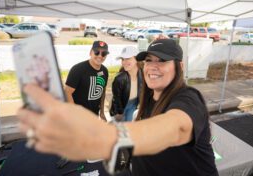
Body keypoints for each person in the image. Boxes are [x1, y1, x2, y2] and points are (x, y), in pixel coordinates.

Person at [18, 39, 218, 176]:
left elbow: (174, 128)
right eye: (149, 60)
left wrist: (103, 138)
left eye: (162, 61)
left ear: (180, 67)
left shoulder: (189, 98)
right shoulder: (150, 97)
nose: (152, 66)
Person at [65, 40, 109, 121]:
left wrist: (102, 112)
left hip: (94, 116)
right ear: (90, 52)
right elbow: (67, 92)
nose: (100, 56)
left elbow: (102, 91)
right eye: (96, 52)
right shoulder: (78, 69)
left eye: (104, 53)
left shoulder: (105, 71)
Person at [110, 46, 143, 121]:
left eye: (128, 58)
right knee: (121, 128)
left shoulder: (143, 75)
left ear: (136, 59)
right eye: (122, 59)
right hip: (121, 106)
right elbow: (116, 98)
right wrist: (119, 112)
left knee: (130, 127)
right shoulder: (119, 79)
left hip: (134, 105)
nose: (124, 62)